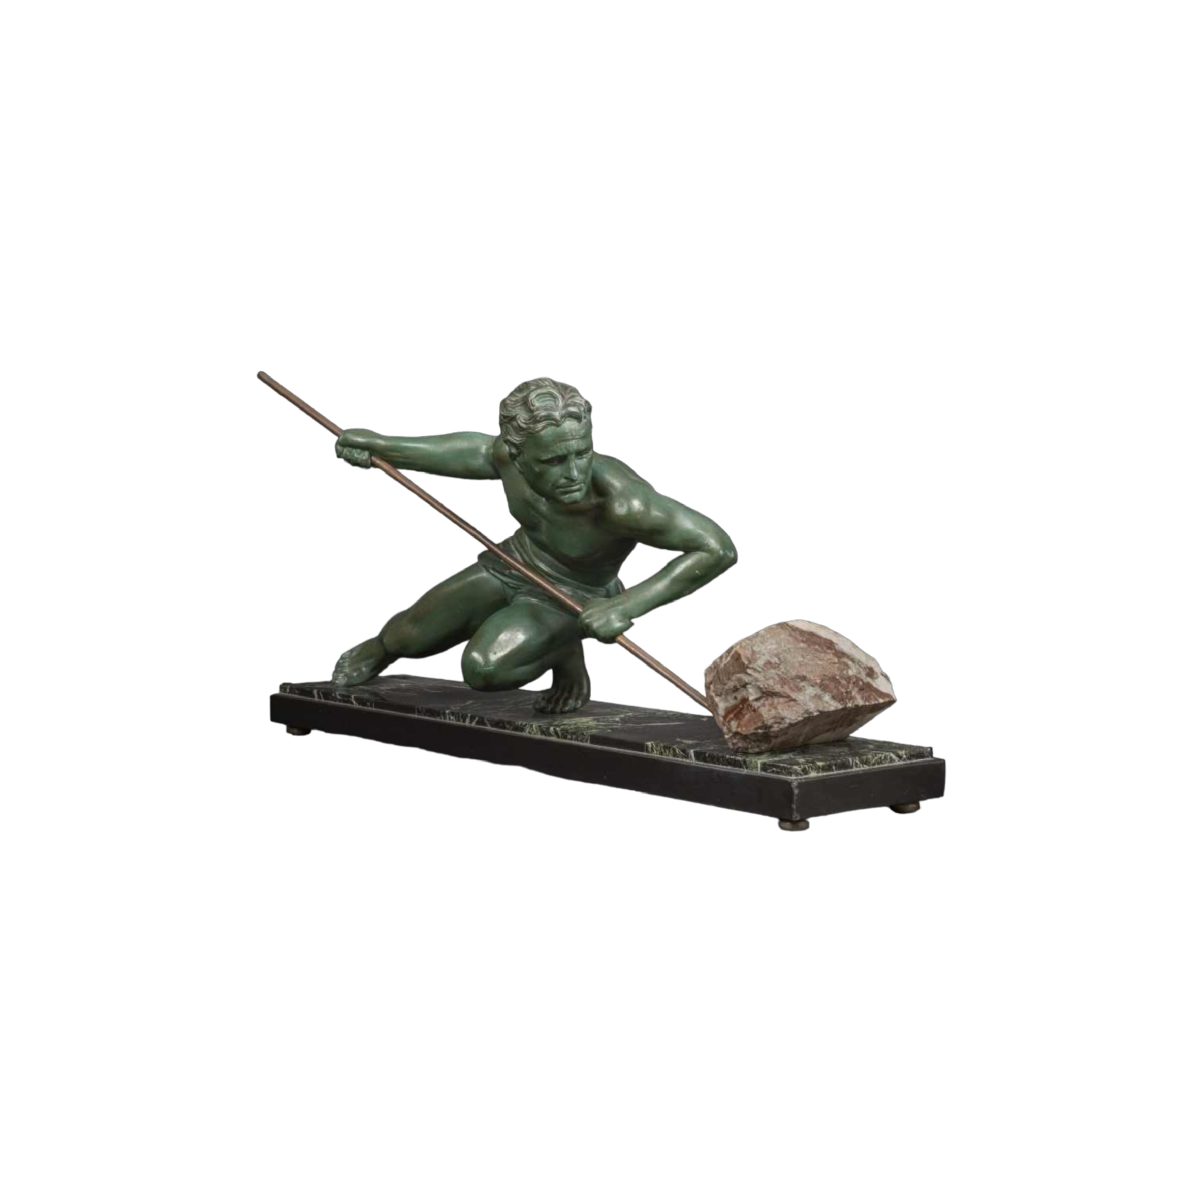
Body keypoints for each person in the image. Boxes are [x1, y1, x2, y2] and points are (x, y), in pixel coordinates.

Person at [331, 376, 737, 713]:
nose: (574, 472)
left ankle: (564, 648)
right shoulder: (507, 456)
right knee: (407, 636)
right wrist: (382, 446)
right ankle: (382, 649)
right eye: (553, 461)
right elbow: (472, 452)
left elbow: (717, 549)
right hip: (514, 561)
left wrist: (626, 606)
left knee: (484, 669)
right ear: (517, 454)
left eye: (582, 453)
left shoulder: (622, 501)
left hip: (574, 593)